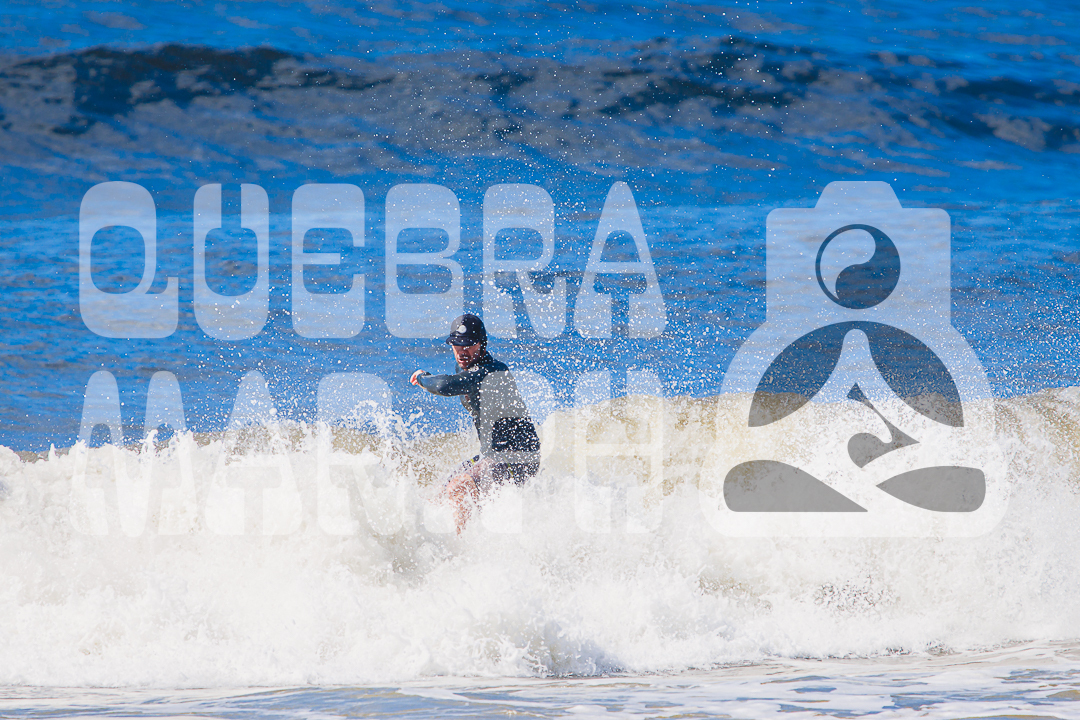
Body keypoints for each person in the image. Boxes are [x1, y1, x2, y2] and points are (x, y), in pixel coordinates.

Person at [410, 314, 540, 532]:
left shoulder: (492, 371)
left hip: (517, 458)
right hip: (491, 456)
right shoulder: (463, 368)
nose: (462, 351)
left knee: (459, 486)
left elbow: (443, 386)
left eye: (469, 344)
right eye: (457, 344)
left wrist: (422, 378)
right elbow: (452, 382)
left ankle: (462, 545)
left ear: (482, 343)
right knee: (437, 493)